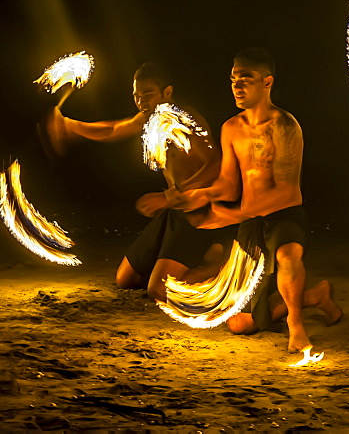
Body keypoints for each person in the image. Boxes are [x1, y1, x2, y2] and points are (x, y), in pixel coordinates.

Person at [178, 48, 341, 352]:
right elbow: (228, 185)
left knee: (288, 256)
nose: (237, 87)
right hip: (251, 222)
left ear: (267, 82)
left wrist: (234, 215)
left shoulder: (285, 126)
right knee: (240, 324)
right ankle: (315, 296)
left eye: (246, 80)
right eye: (233, 80)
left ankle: (296, 326)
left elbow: (287, 192)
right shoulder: (230, 128)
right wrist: (200, 195)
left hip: (284, 216)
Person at [53, 62, 234, 302]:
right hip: (173, 210)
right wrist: (70, 126)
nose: (141, 102)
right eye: (136, 96)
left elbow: (216, 164)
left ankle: (223, 267)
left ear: (167, 93)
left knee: (159, 290)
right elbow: (115, 129)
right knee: (125, 280)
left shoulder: (184, 120)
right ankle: (200, 256)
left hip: (198, 213)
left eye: (147, 95)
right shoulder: (150, 117)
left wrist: (171, 197)